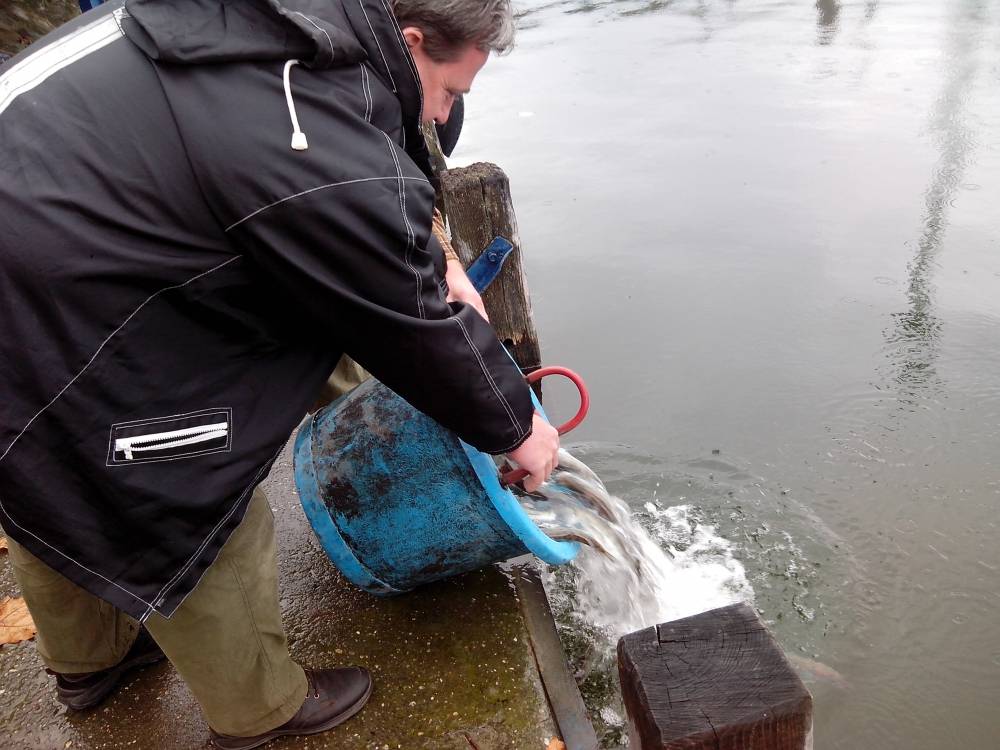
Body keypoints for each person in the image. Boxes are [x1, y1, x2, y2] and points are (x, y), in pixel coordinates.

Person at [0, 0, 560, 747]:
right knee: (187, 478)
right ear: (414, 39)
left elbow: (349, 221)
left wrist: (439, 262)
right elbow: (398, 307)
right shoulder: (300, 115)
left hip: (43, 236)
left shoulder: (275, 22)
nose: (447, 110)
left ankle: (89, 663)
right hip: (47, 303)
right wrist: (517, 424)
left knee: (50, 466)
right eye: (453, 91)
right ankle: (258, 711)